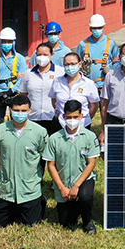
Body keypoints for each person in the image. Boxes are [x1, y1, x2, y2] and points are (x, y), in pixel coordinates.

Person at [0, 94, 48, 227]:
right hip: (6, 189)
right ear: (10, 110)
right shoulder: (0, 130)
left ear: (29, 111)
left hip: (29, 189)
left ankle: (40, 201)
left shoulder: (40, 132)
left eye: (23, 111)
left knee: (32, 225)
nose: (20, 114)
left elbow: (44, 155)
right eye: (16, 110)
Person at [44, 100, 101, 234]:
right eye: (69, 117)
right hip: (63, 182)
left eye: (75, 117)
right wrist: (62, 188)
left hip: (83, 179)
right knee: (66, 222)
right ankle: (74, 208)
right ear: (63, 116)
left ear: (81, 116)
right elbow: (51, 165)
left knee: (85, 196)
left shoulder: (89, 136)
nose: (72, 120)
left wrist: (76, 186)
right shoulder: (54, 138)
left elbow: (91, 163)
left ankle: (88, 221)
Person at [0, 27, 28, 126]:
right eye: (4, 41)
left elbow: (22, 78)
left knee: (16, 121)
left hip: (14, 94)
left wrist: (11, 90)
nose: (6, 44)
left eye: (9, 42)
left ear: (13, 43)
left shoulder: (20, 59)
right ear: (0, 43)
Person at [49, 52, 100, 130]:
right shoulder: (57, 81)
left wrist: (85, 117)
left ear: (79, 64)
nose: (70, 67)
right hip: (61, 123)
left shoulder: (88, 83)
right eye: (67, 64)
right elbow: (54, 100)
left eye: (73, 64)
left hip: (82, 124)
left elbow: (94, 104)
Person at [18, 42, 61, 135]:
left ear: (52, 55)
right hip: (33, 118)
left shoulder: (60, 72)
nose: (42, 57)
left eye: (45, 55)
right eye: (39, 55)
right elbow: (23, 95)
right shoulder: (28, 73)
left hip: (53, 117)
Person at [76, 14, 118, 88]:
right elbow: (77, 63)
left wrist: (110, 70)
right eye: (94, 28)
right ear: (90, 29)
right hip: (87, 85)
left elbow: (118, 62)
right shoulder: (83, 44)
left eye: (99, 28)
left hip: (105, 85)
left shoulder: (111, 43)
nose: (97, 30)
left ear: (103, 28)